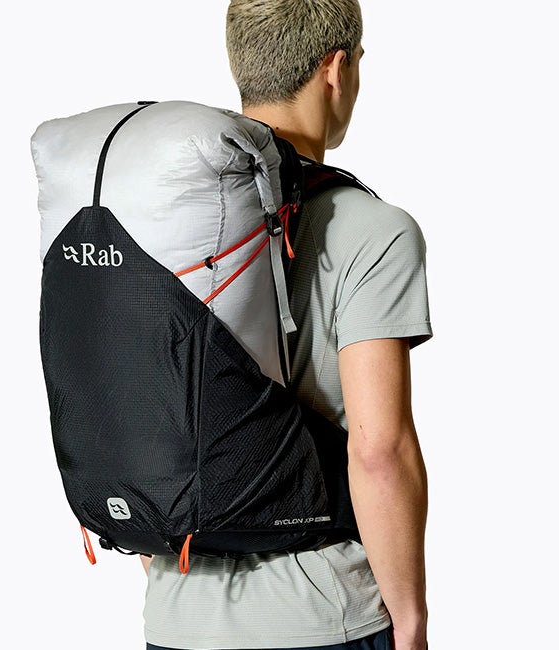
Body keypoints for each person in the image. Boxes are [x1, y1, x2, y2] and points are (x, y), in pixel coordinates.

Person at [141, 1, 432, 649]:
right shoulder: (373, 231)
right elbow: (379, 451)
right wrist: (410, 620)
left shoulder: (167, 220)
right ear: (336, 69)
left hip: (175, 614)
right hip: (323, 617)